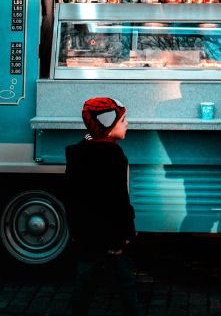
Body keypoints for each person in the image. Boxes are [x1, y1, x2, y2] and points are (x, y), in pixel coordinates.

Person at [64, 97, 140, 316]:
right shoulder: (114, 156)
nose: (127, 124)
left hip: (86, 235)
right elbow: (119, 201)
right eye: (123, 120)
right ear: (108, 125)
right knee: (125, 282)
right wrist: (126, 234)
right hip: (112, 236)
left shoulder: (79, 152)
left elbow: (71, 197)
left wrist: (76, 231)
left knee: (84, 282)